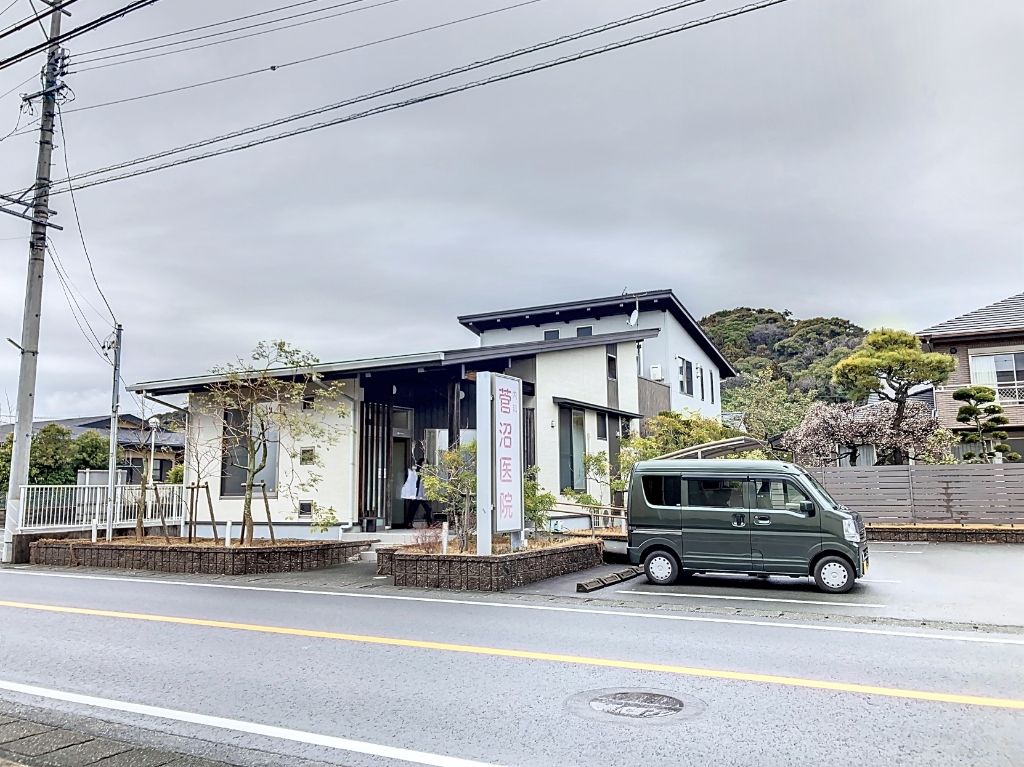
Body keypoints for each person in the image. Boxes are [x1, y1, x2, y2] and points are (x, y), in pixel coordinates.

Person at [401, 461, 432, 526]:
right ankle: (409, 523)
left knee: (428, 509)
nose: (425, 465)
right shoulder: (415, 472)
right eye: (423, 463)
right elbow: (412, 483)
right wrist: (412, 494)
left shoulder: (428, 472)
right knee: (412, 509)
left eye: (426, 463)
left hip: (424, 494)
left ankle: (429, 523)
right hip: (416, 494)